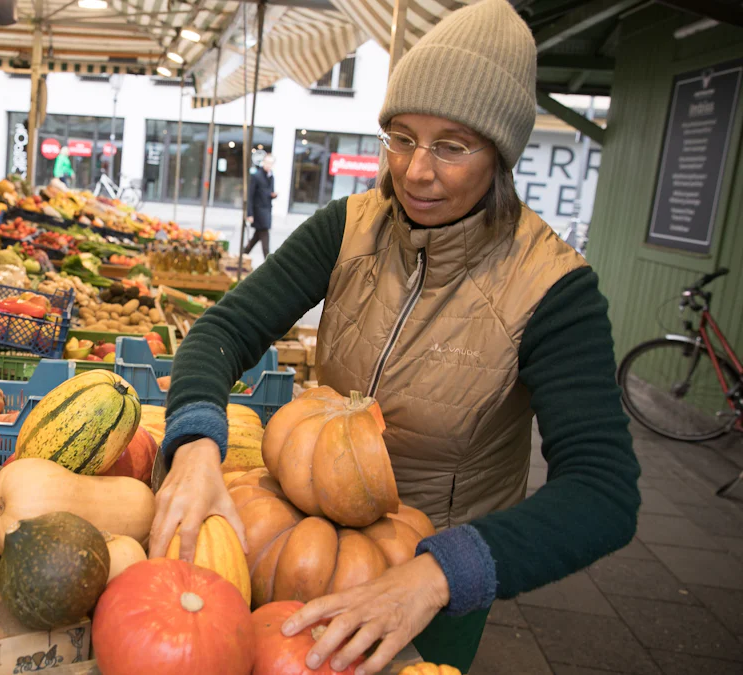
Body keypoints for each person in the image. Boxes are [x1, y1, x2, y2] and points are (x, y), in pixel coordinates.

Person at [148, 2, 640, 673]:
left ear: (500, 152)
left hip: (427, 584)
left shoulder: (553, 287)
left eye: (451, 146)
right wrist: (197, 443)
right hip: (299, 540)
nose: (414, 171)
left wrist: (440, 573)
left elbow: (603, 491)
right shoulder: (349, 227)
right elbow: (226, 327)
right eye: (401, 137)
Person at [245, 154, 277, 257]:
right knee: (265, 240)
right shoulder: (256, 176)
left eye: (271, 163)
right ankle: (269, 263)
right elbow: (250, 196)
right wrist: (249, 214)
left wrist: (273, 195)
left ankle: (242, 255)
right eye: (267, 162)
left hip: (267, 211)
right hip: (258, 212)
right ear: (263, 162)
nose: (269, 165)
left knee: (256, 238)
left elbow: (268, 192)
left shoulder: (271, 177)